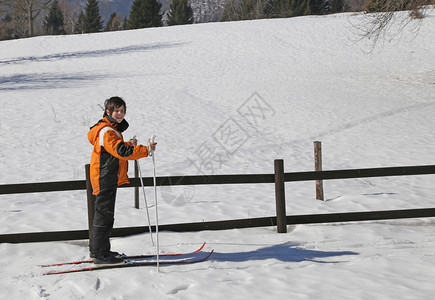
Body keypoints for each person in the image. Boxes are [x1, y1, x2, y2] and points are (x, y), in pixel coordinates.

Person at [87, 96, 157, 265]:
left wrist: (129, 145)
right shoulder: (107, 131)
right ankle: (99, 254)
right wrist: (144, 150)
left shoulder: (110, 130)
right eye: (116, 111)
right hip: (104, 178)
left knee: (105, 216)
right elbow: (120, 151)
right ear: (108, 112)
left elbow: (114, 149)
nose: (120, 114)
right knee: (103, 217)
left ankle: (102, 250)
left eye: (122, 111)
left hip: (106, 177)